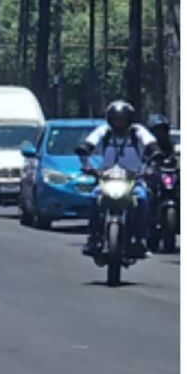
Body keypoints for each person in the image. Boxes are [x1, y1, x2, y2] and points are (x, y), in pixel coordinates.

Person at [76, 100, 161, 257]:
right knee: (94, 198)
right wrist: (84, 151)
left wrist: (154, 157)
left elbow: (151, 145)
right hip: (106, 178)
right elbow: (89, 142)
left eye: (122, 119)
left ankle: (141, 239)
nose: (119, 123)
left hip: (134, 179)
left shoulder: (138, 132)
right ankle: (93, 237)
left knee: (142, 199)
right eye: (116, 119)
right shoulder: (104, 131)